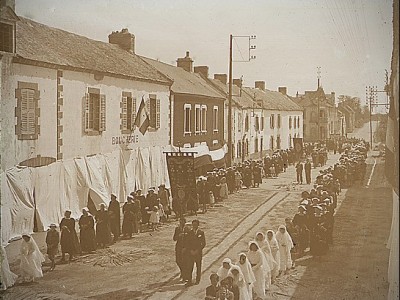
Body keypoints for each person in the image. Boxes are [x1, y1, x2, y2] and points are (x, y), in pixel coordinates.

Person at [186, 219, 206, 286]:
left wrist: (198, 250)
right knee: (190, 267)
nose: (194, 226)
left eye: (195, 225)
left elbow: (203, 243)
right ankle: (189, 280)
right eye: (193, 225)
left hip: (198, 253)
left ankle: (197, 280)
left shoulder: (201, 232)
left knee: (198, 267)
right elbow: (187, 243)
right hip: (191, 253)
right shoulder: (190, 233)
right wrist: (191, 250)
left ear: (198, 225)